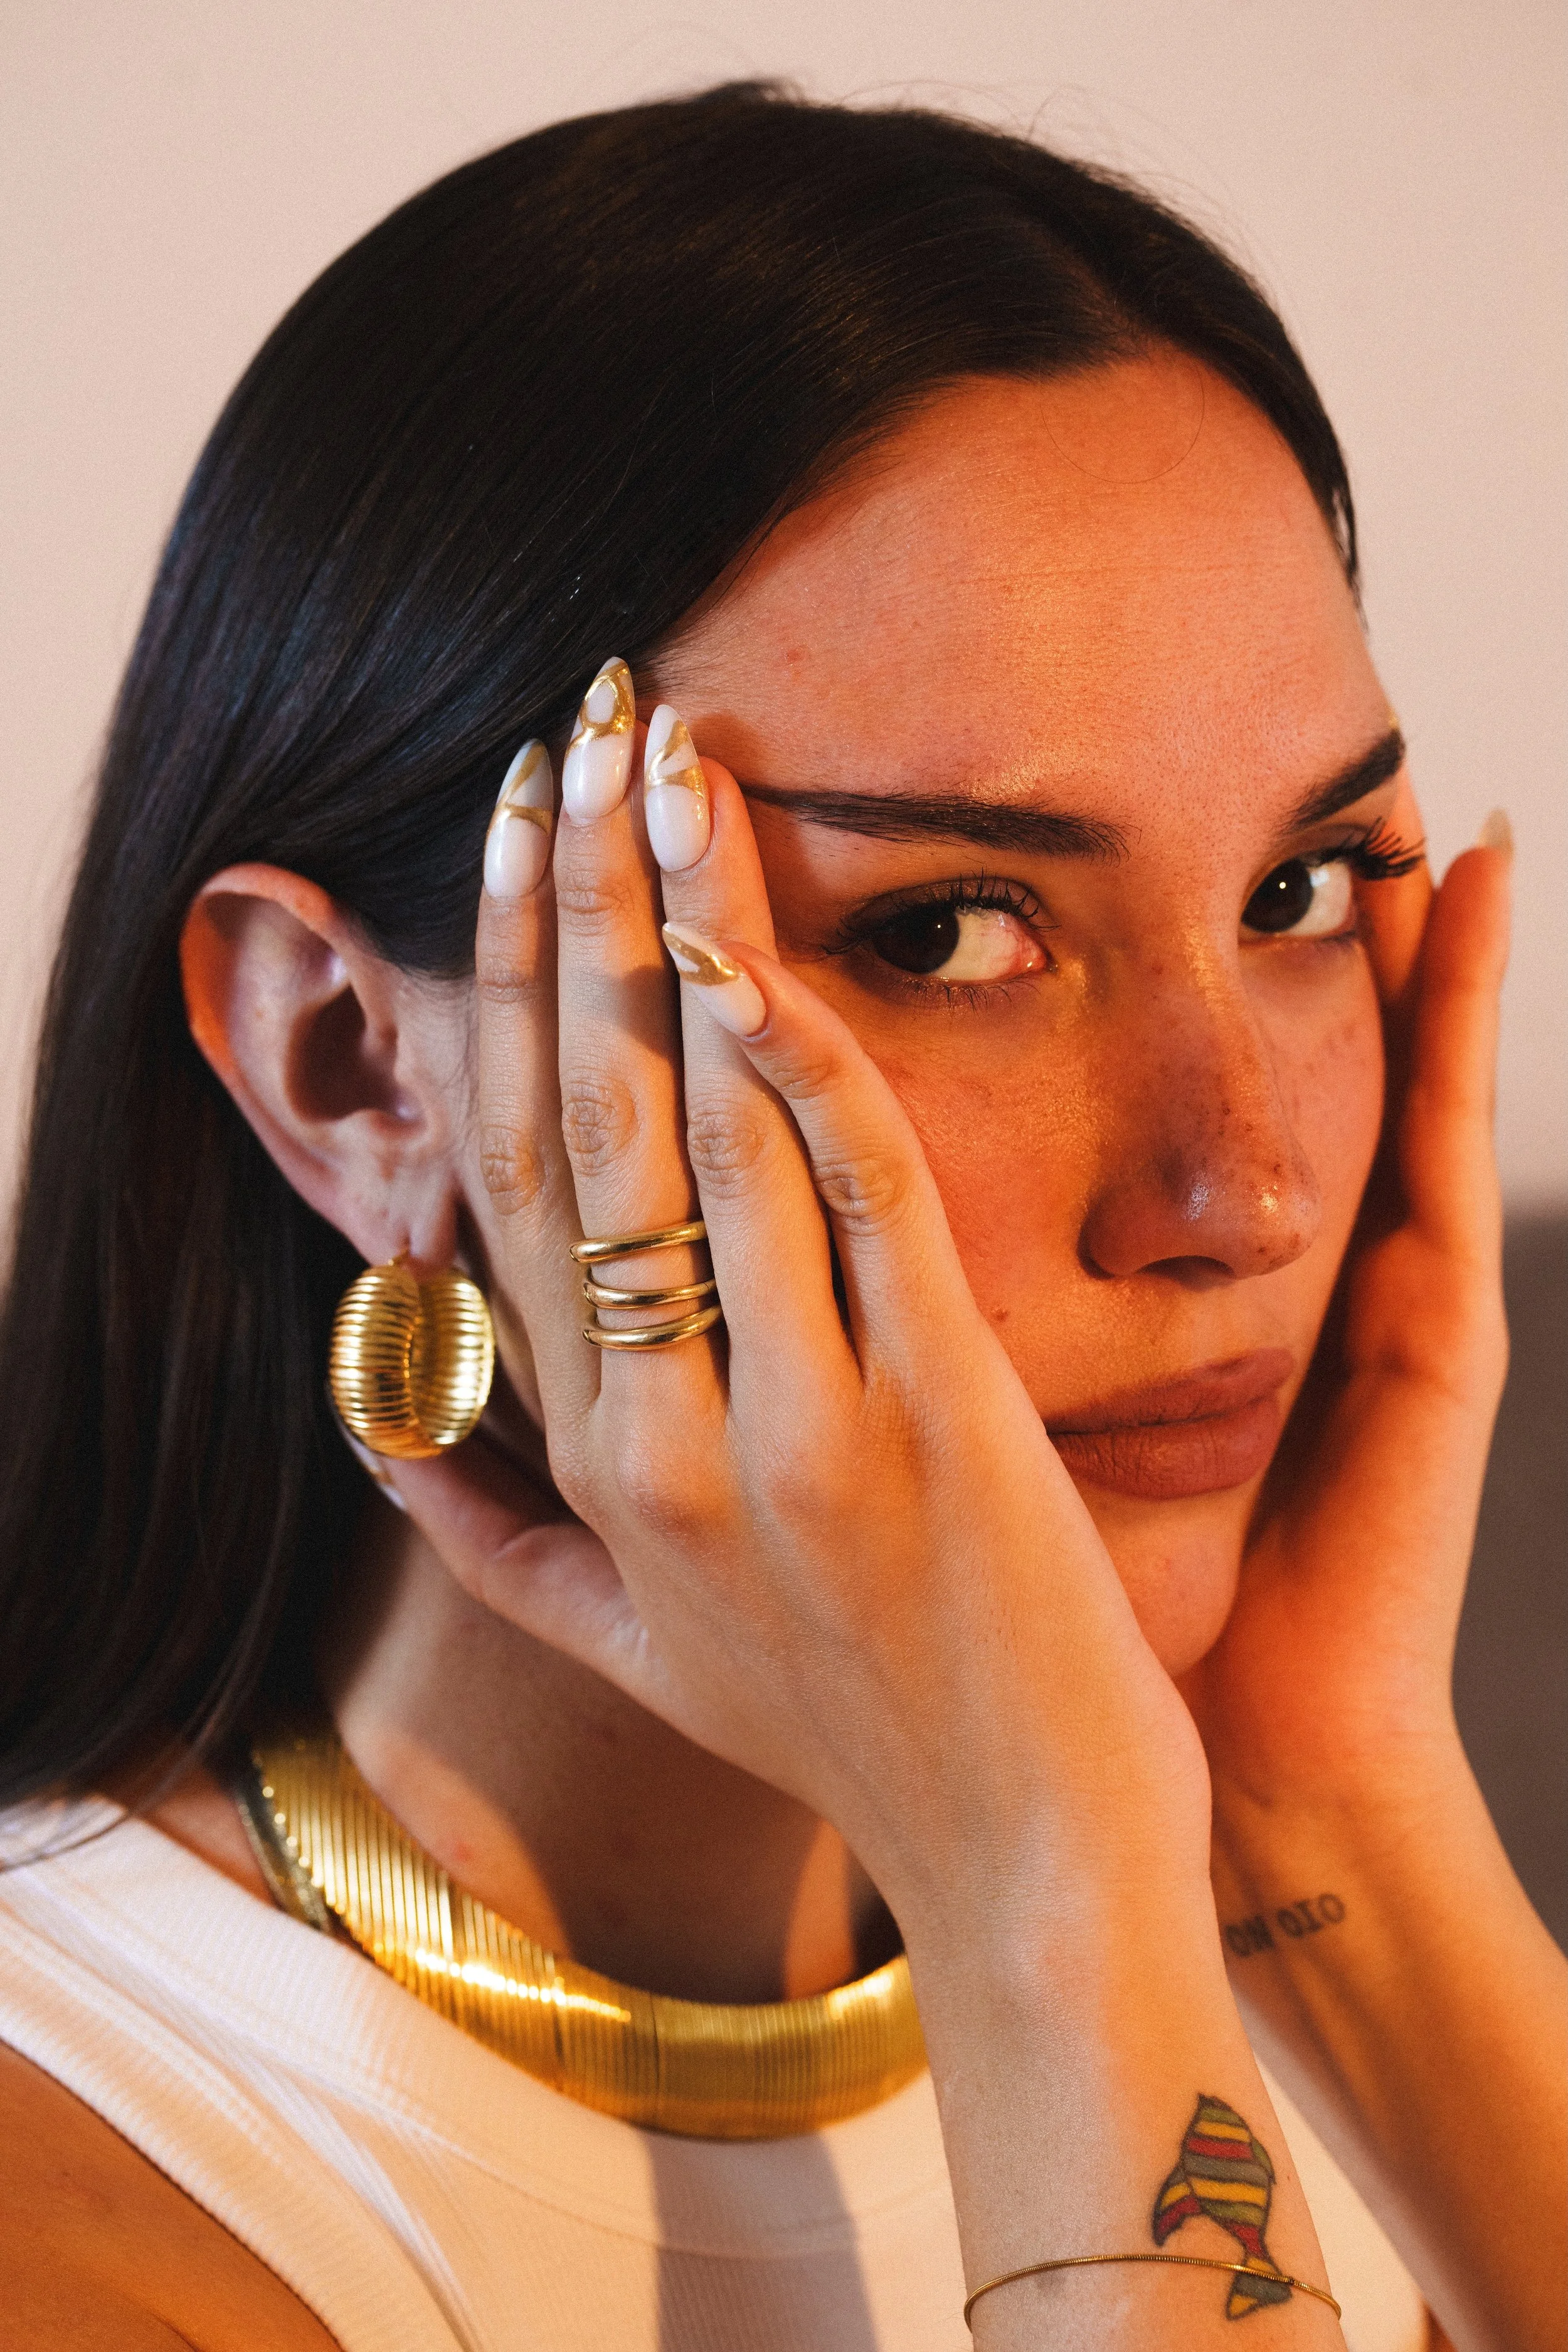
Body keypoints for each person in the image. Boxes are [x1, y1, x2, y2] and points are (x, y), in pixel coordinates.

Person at [0, 83, 1559, 2352]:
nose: (1237, 1187)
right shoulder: (83, 2220)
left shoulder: (1325, 2059)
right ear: (346, 1056)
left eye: (1297, 891)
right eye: (946, 928)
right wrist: (1054, 1922)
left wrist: (1335, 1824)